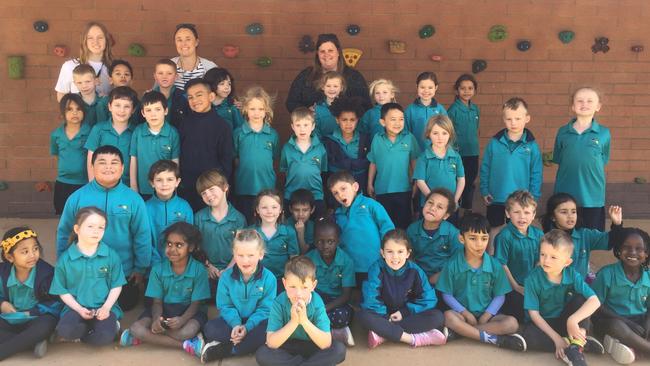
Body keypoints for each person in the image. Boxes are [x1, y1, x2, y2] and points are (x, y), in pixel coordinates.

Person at [56, 145, 151, 312]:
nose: (108, 167)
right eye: (102, 162)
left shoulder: (133, 199)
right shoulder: (77, 197)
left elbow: (142, 235)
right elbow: (64, 232)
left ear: (122, 168)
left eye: (114, 162)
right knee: (79, 306)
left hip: (122, 271)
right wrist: (62, 264)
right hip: (83, 270)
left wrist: (140, 268)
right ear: (92, 167)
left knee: (127, 303)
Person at [437, 213, 527, 352]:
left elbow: (500, 295)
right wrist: (466, 313)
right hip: (462, 315)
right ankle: (495, 339)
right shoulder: (452, 264)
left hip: (488, 316)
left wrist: (487, 314)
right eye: (472, 238)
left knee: (512, 324)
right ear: (462, 239)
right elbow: (446, 294)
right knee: (448, 317)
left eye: (484, 239)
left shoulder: (495, 265)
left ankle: (462, 333)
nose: (479, 244)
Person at [119, 222, 209, 357]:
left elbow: (196, 304)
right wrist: (156, 320)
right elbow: (156, 302)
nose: (172, 249)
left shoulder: (199, 270)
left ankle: (148, 336)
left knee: (186, 332)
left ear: (190, 247)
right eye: (169, 244)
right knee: (135, 328)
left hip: (190, 312)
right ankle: (186, 345)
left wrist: (182, 320)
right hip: (163, 311)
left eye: (179, 245)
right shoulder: (158, 269)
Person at [522, 229, 604, 365]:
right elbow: (534, 315)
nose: (546, 260)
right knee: (528, 337)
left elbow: (595, 301)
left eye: (553, 257)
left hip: (564, 321)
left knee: (582, 299)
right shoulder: (532, 279)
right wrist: (557, 339)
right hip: (544, 323)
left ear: (567, 262)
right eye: (543, 254)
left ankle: (576, 347)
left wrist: (573, 319)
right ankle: (577, 342)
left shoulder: (572, 274)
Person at [359, 229, 447, 349]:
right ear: (382, 253)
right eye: (389, 252)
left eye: (400, 251)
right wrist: (385, 317)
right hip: (382, 316)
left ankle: (384, 334)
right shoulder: (376, 269)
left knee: (438, 317)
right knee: (364, 316)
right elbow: (370, 299)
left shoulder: (415, 271)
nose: (395, 257)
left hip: (406, 315)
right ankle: (413, 339)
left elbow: (428, 299)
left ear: (408, 253)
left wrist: (404, 312)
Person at [50, 207, 126, 346]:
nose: (96, 231)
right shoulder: (66, 259)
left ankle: (107, 328)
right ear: (77, 229)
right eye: (90, 226)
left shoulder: (110, 255)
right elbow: (62, 290)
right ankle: (90, 329)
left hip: (104, 308)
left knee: (102, 338)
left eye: (101, 227)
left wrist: (106, 308)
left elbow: (117, 284)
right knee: (66, 331)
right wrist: (79, 309)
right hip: (76, 308)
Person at [200, 229, 277, 363]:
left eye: (250, 255)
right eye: (240, 255)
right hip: (232, 322)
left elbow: (266, 309)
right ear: (234, 255)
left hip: (256, 323)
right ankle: (246, 346)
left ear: (261, 255)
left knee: (270, 332)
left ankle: (229, 350)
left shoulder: (269, 278)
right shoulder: (226, 278)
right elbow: (225, 306)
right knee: (210, 328)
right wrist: (236, 324)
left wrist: (247, 328)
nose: (245, 260)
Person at [255, 256, 347, 366]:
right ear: (284, 284)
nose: (298, 293)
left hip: (312, 344)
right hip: (287, 344)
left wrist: (304, 321)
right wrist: (293, 322)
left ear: (313, 286)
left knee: (338, 350)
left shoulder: (317, 303)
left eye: (304, 287)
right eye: (293, 287)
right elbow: (271, 343)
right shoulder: (279, 302)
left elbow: (325, 343)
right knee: (262, 353)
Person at [552, 87, 611, 231]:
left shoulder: (604, 133)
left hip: (592, 193)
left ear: (598, 107)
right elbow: (559, 157)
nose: (584, 104)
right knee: (564, 233)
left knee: (589, 233)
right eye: (580, 100)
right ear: (573, 106)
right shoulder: (562, 131)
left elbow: (603, 158)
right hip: (566, 189)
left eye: (590, 101)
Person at [479, 97, 542, 229]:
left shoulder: (532, 146)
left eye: (518, 118)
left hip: (520, 201)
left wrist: (533, 197)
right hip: (496, 197)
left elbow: (536, 173)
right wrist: (484, 190)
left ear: (527, 118)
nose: (513, 123)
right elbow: (485, 167)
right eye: (509, 119)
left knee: (517, 233)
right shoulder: (494, 142)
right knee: (494, 232)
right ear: (504, 119)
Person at [591, 227, 650, 364]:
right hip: (612, 320)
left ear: (646, 253)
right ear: (618, 250)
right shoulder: (607, 274)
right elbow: (595, 305)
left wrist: (647, 326)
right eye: (626, 247)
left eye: (639, 249)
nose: (632, 252)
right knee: (617, 327)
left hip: (639, 322)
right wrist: (626, 322)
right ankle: (644, 348)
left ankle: (635, 345)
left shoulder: (648, 276)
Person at [0, 227, 60, 360]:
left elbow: (56, 302)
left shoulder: (47, 274)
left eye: (35, 249)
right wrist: (2, 303)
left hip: (36, 318)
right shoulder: (2, 273)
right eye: (25, 251)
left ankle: (5, 350)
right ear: (10, 257)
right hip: (9, 318)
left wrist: (32, 312)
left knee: (45, 325)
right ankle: (32, 343)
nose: (32, 255)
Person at [176, 78, 233, 211]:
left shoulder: (222, 126)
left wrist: (219, 185)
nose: (194, 100)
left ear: (211, 96)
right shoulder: (184, 124)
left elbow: (226, 160)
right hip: (187, 186)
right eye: (190, 97)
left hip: (211, 189)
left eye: (199, 95)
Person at [328, 171, 394, 284]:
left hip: (375, 264)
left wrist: (388, 255)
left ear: (355, 187)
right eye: (335, 193)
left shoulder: (370, 205)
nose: (340, 195)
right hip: (350, 268)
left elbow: (388, 230)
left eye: (343, 189)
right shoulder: (337, 215)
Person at [541, 192, 623, 280]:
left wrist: (617, 224)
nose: (570, 216)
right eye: (564, 212)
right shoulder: (545, 239)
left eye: (573, 212)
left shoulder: (585, 235)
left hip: (580, 288)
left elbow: (609, 241)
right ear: (553, 217)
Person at [286, 33, 370, 112]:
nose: (326, 55)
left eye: (330, 50)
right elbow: (291, 103)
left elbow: (366, 106)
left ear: (338, 52)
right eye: (322, 51)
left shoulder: (354, 77)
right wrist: (307, 112)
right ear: (317, 54)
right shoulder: (306, 76)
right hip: (314, 125)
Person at [193, 169, 246, 296]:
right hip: (206, 269)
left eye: (211, 189)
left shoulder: (238, 218)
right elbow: (196, 247)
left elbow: (241, 248)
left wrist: (228, 270)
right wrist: (208, 266)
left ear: (225, 187)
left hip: (233, 268)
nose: (208, 195)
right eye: (203, 193)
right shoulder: (199, 217)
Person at [493, 190, 544, 322]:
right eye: (516, 212)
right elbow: (501, 265)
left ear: (533, 215)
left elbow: (540, 261)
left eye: (527, 212)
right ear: (508, 213)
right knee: (519, 308)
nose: (522, 217)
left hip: (532, 283)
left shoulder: (538, 235)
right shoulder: (504, 236)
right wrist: (516, 287)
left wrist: (533, 285)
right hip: (511, 286)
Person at [367, 102, 419, 229]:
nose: (398, 123)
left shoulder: (409, 138)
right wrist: (369, 183)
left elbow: (414, 161)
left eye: (401, 119)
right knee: (385, 225)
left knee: (403, 224)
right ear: (383, 122)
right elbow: (373, 162)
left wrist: (416, 183)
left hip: (403, 189)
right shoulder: (377, 139)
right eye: (393, 119)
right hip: (382, 190)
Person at [232, 86, 280, 224]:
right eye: (252, 109)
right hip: (244, 186)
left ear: (266, 111)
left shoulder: (273, 134)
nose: (256, 113)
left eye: (260, 109)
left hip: (266, 187)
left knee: (264, 222)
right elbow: (235, 158)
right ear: (245, 109)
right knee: (246, 221)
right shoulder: (238, 133)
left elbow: (274, 158)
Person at [305, 218, 356, 346]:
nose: (325, 246)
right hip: (314, 299)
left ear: (338, 241)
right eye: (320, 241)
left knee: (341, 316)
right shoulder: (308, 259)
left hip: (336, 302)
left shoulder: (346, 261)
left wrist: (324, 309)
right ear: (314, 242)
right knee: (298, 312)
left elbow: (346, 296)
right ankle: (334, 333)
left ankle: (318, 332)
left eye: (330, 241)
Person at [129, 91, 180, 198]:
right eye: (148, 110)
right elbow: (134, 159)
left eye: (158, 109)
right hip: (143, 188)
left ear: (165, 111)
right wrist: (133, 186)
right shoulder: (138, 132)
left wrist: (173, 188)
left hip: (164, 189)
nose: (153, 114)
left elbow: (175, 162)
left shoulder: (172, 133)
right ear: (143, 113)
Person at [406, 188, 462, 287]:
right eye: (430, 203)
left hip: (443, 279)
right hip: (418, 278)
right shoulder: (412, 229)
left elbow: (459, 261)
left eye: (439, 207)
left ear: (446, 216)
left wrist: (436, 278)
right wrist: (417, 277)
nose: (432, 208)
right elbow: (408, 257)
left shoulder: (452, 233)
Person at [85, 86, 139, 184]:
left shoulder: (137, 132)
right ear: (110, 107)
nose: (121, 110)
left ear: (133, 110)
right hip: (101, 184)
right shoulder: (98, 129)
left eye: (126, 106)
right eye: (117, 105)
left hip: (127, 186)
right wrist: (92, 185)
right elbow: (90, 161)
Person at [280, 107, 328, 217]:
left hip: (316, 194)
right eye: (298, 125)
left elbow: (322, 170)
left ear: (313, 126)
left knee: (318, 226)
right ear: (292, 126)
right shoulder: (287, 148)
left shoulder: (320, 148)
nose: (302, 129)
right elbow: (284, 170)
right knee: (289, 225)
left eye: (306, 125)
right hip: (291, 194)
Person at [413, 114, 465, 213]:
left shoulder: (456, 156)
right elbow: (420, 181)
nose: (440, 137)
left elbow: (461, 179)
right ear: (429, 134)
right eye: (435, 133)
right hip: (430, 206)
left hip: (450, 205)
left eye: (444, 133)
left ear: (450, 134)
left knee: (450, 227)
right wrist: (434, 202)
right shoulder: (423, 157)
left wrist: (454, 200)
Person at [322, 97, 371, 198]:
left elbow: (369, 162)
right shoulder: (329, 140)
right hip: (337, 191)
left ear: (357, 120)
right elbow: (329, 166)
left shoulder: (364, 139)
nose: (348, 124)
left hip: (360, 187)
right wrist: (353, 164)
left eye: (352, 120)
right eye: (344, 120)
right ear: (337, 120)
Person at [50, 93, 90, 215]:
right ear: (62, 113)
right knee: (63, 214)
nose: (74, 113)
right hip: (63, 183)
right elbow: (56, 155)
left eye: (78, 109)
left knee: (83, 215)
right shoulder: (56, 134)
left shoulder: (89, 131)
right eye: (69, 109)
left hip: (84, 183)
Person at [144, 160, 193, 260]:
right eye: (159, 180)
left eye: (170, 179)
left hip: (180, 263)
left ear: (177, 182)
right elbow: (144, 240)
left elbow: (190, 238)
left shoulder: (185, 207)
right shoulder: (145, 208)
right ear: (152, 183)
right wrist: (156, 264)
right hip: (153, 265)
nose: (164, 184)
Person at [252, 189, 300, 285]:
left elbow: (293, 259)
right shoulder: (251, 232)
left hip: (281, 280)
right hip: (256, 280)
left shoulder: (289, 232)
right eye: (264, 207)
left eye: (274, 207)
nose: (269, 211)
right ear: (257, 209)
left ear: (280, 209)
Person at [447, 74, 480, 214]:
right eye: (463, 88)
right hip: (458, 153)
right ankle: (455, 210)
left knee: (470, 182)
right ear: (457, 90)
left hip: (473, 152)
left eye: (470, 88)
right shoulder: (453, 110)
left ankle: (467, 211)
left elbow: (476, 128)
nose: (466, 91)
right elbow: (448, 131)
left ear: (474, 90)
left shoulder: (475, 109)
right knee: (458, 182)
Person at [55, 22, 113, 101]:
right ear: (84, 41)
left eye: (100, 37)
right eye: (90, 38)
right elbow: (62, 95)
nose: (95, 42)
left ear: (106, 40)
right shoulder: (69, 66)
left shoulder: (113, 68)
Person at [404, 72, 448, 152]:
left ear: (436, 87)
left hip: (436, 153)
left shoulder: (441, 109)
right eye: (422, 87)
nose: (426, 91)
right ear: (417, 87)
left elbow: (447, 131)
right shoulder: (410, 110)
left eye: (430, 87)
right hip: (416, 154)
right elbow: (405, 133)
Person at [170, 23, 217, 90]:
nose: (183, 44)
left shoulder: (210, 67)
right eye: (179, 40)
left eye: (188, 39)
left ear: (196, 42)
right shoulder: (168, 66)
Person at [97, 60, 142, 125]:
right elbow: (100, 127)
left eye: (126, 74)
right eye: (118, 74)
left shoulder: (137, 103)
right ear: (110, 80)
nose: (123, 76)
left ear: (131, 81)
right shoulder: (103, 103)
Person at [152, 59, 189, 127]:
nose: (164, 77)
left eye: (169, 73)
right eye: (160, 73)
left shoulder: (183, 97)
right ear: (155, 76)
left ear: (176, 77)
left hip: (178, 135)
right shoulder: (149, 96)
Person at [314, 71, 346, 137]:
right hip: (324, 145)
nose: (331, 89)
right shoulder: (317, 109)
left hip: (342, 145)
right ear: (323, 87)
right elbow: (316, 131)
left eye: (335, 86)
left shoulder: (347, 107)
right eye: (328, 86)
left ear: (341, 88)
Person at [287, 189, 316, 254]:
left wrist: (300, 234)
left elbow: (304, 252)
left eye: (305, 210)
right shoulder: (285, 225)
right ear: (290, 209)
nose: (300, 214)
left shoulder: (313, 227)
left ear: (312, 209)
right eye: (296, 210)